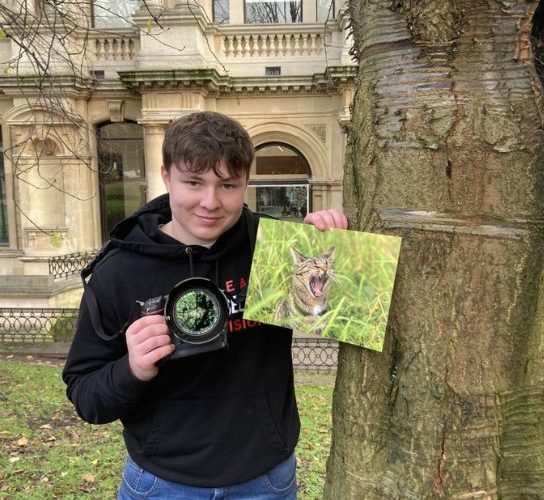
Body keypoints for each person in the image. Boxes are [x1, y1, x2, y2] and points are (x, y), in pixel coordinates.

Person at [62, 111, 348, 499]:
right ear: (166, 176)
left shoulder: (274, 250)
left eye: (227, 185)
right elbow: (86, 396)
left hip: (265, 480)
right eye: (193, 182)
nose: (210, 202)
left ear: (246, 181)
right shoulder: (120, 270)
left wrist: (332, 243)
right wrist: (132, 367)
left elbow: (338, 311)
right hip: (163, 484)